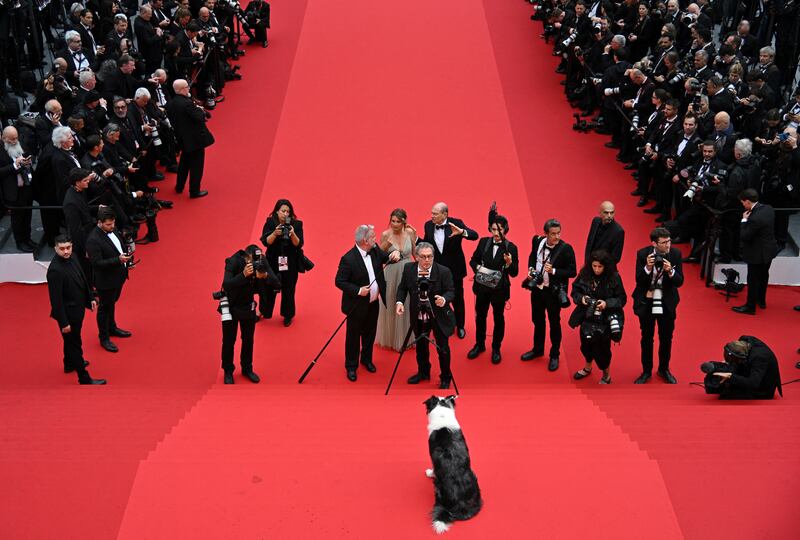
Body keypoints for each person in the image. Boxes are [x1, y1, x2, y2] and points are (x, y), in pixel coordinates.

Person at [46, 234, 106, 385]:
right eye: (62, 249)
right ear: (55, 249)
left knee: (71, 341)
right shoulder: (55, 271)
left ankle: (69, 364)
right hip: (67, 315)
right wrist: (63, 322)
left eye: (68, 247)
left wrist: (90, 298)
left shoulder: (73, 257)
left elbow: (82, 278)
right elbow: (56, 301)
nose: (66, 251)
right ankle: (84, 377)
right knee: (74, 343)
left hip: (78, 310)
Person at [395, 242, 456, 389]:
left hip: (438, 315)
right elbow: (402, 288)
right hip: (418, 313)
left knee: (443, 348)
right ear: (416, 257)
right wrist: (399, 302)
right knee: (421, 345)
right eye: (423, 257)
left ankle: (446, 377)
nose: (427, 260)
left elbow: (451, 291)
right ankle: (423, 372)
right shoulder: (409, 269)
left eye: (430, 256)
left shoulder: (443, 271)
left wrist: (444, 299)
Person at [334, 225, 389, 382]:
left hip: (373, 303)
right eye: (373, 237)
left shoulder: (375, 250)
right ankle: (351, 366)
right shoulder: (348, 259)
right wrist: (358, 290)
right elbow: (339, 281)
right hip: (356, 306)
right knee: (353, 336)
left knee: (370, 334)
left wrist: (395, 254)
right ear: (365, 241)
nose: (375, 239)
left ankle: (366, 359)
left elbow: (386, 258)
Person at [521, 219, 576, 372]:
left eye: (558, 233)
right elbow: (532, 256)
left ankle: (554, 355)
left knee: (554, 323)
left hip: (553, 292)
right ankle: (538, 349)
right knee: (537, 320)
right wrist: (531, 269)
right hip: (537, 289)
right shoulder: (537, 240)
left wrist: (554, 271)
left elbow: (572, 271)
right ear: (545, 234)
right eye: (553, 234)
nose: (557, 237)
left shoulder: (566, 249)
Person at [419, 202, 478, 340]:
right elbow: (427, 244)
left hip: (455, 270)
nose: (431, 216)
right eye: (431, 213)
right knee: (438, 297)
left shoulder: (456, 223)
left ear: (444, 214)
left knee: (457, 299)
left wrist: (462, 232)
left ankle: (460, 325)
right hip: (437, 271)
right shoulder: (428, 225)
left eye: (435, 213)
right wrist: (415, 239)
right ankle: (442, 323)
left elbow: (475, 235)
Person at [219, 245, 277, 384]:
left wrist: (265, 275)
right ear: (247, 256)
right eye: (254, 259)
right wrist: (243, 275)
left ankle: (247, 368)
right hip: (231, 305)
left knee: (248, 339)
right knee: (229, 341)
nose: (257, 261)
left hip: (248, 306)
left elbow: (276, 282)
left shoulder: (261, 261)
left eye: (259, 258)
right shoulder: (233, 261)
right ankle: (228, 370)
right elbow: (226, 285)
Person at [632, 227, 683, 384]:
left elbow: (680, 281)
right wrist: (647, 268)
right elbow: (639, 280)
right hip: (647, 301)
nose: (668, 245)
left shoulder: (675, 254)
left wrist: (670, 271)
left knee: (666, 337)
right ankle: (646, 371)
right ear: (654, 243)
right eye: (664, 242)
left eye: (669, 241)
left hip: (667, 301)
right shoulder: (643, 254)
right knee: (647, 337)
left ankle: (664, 369)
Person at [568, 250, 627, 384]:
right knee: (585, 346)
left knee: (602, 351)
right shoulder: (584, 274)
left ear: (606, 266)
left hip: (605, 320)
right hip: (587, 317)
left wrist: (606, 303)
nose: (596, 269)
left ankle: (606, 375)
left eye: (600, 266)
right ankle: (588, 368)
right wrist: (581, 298)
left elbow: (622, 299)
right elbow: (575, 291)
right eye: (594, 266)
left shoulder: (614, 277)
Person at [467, 211, 518, 364]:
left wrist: (509, 263)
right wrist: (479, 269)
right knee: (480, 316)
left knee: (498, 318)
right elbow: (473, 260)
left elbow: (514, 272)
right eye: (493, 229)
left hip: (499, 291)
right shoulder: (484, 242)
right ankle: (479, 344)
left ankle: (496, 348)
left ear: (505, 230)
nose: (496, 233)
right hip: (482, 287)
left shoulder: (511, 247)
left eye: (499, 230)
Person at [85, 207, 132, 353]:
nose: (112, 226)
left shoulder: (113, 229)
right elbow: (96, 263)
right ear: (99, 223)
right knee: (104, 308)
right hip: (105, 281)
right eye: (108, 224)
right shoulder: (93, 240)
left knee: (112, 304)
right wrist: (118, 260)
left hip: (118, 276)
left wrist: (127, 262)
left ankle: (112, 327)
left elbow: (119, 248)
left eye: (113, 223)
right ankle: (104, 337)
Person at [165, 79, 214, 198]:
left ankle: (179, 186)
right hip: (195, 140)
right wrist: (200, 111)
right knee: (197, 166)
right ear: (182, 89)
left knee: (184, 164)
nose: (189, 88)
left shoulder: (170, 104)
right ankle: (194, 191)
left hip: (182, 139)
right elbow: (198, 117)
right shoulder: (187, 103)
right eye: (187, 87)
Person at [259, 199, 304, 326]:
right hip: (272, 261)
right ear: (276, 211)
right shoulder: (270, 223)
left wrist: (292, 234)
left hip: (290, 262)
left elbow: (299, 244)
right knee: (267, 287)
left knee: (289, 288)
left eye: (288, 212)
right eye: (283, 211)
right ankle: (263, 311)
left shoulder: (296, 224)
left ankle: (288, 315)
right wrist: (274, 233)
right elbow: (266, 242)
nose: (286, 214)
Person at [376, 209, 416, 351]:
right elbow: (378, 256)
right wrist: (388, 245)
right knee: (392, 301)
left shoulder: (410, 233)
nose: (394, 224)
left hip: (408, 272)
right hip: (391, 274)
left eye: (398, 221)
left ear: (404, 221)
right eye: (392, 221)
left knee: (407, 301)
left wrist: (421, 270)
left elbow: (415, 253)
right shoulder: (385, 235)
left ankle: (407, 337)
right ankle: (391, 338)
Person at [733, 189, 778, 315]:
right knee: (764, 276)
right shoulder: (769, 209)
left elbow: (745, 236)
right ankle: (761, 301)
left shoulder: (754, 218)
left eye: (743, 202)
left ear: (747, 201)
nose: (742, 205)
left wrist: (744, 221)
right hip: (769, 251)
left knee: (752, 279)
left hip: (756, 253)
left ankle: (750, 306)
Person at [705, 337, 782, 399]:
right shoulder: (745, 340)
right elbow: (738, 359)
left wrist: (730, 376)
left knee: (725, 394)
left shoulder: (759, 357)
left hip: (763, 388)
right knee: (731, 369)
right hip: (750, 368)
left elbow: (753, 383)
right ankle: (720, 367)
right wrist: (729, 365)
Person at [0, 126, 35, 252]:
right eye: (12, 139)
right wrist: (14, 165)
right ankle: (20, 242)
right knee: (18, 219)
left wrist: (28, 161)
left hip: (27, 186)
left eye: (16, 138)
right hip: (14, 191)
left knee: (28, 215)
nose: (15, 141)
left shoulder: (21, 143)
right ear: (4, 138)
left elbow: (29, 154)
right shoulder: (1, 151)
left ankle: (28, 239)